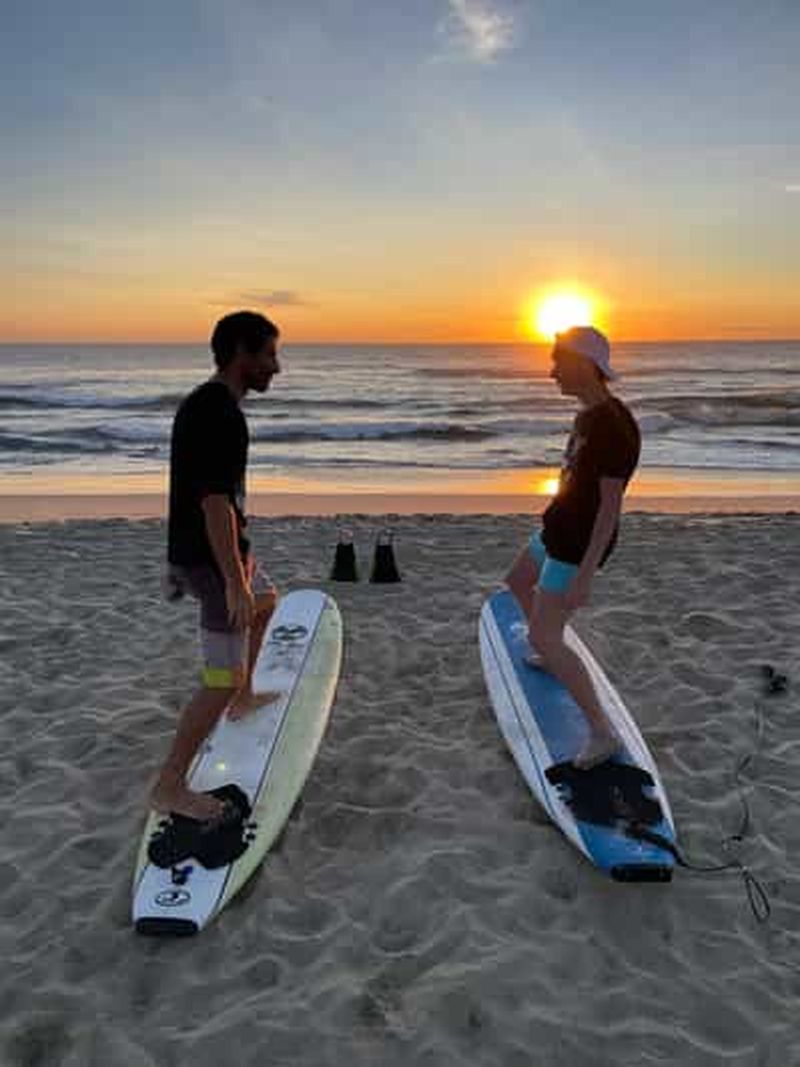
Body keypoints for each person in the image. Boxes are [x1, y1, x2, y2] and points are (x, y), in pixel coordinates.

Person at [151, 310, 282, 822]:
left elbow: (198, 492)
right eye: (269, 354)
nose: (277, 366)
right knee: (218, 675)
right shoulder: (218, 414)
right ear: (241, 356)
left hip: (217, 551)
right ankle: (169, 785)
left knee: (266, 601)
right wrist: (232, 582)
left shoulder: (210, 403)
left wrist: (240, 578)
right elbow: (212, 503)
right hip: (212, 561)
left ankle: (243, 696)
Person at [505, 325, 641, 769]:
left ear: (583, 365)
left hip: (577, 546)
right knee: (519, 580)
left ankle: (603, 732)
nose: (551, 373)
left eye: (557, 361)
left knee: (544, 632)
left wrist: (583, 575)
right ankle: (550, 650)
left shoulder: (615, 429)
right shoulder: (588, 415)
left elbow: (609, 510)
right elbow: (573, 481)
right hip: (558, 530)